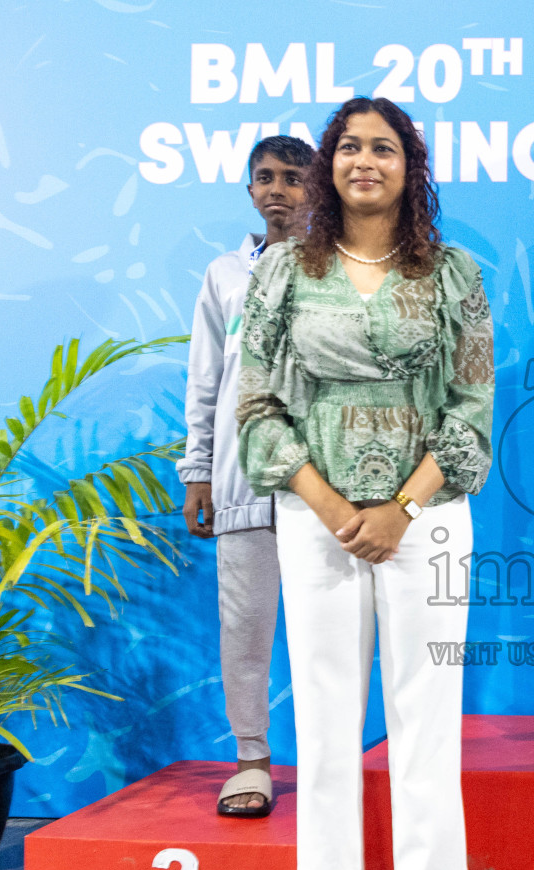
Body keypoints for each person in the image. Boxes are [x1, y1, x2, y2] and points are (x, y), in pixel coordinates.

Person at [236, 97, 494, 870]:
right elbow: (257, 409)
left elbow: (471, 415)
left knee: (427, 705)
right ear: (327, 166)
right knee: (325, 704)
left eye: (383, 147)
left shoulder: (455, 274)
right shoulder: (281, 277)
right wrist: (329, 501)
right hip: (317, 518)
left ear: (408, 167)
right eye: (349, 146)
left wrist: (400, 507)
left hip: (426, 517)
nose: (364, 161)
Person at [177, 134, 313, 817]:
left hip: (321, 483)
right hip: (240, 479)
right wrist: (199, 469)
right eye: (265, 178)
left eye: (292, 178)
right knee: (245, 625)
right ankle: (252, 759)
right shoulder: (223, 275)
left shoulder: (339, 266)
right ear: (250, 190)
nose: (278, 190)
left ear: (316, 187)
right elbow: (206, 378)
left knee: (326, 631)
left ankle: (328, 761)